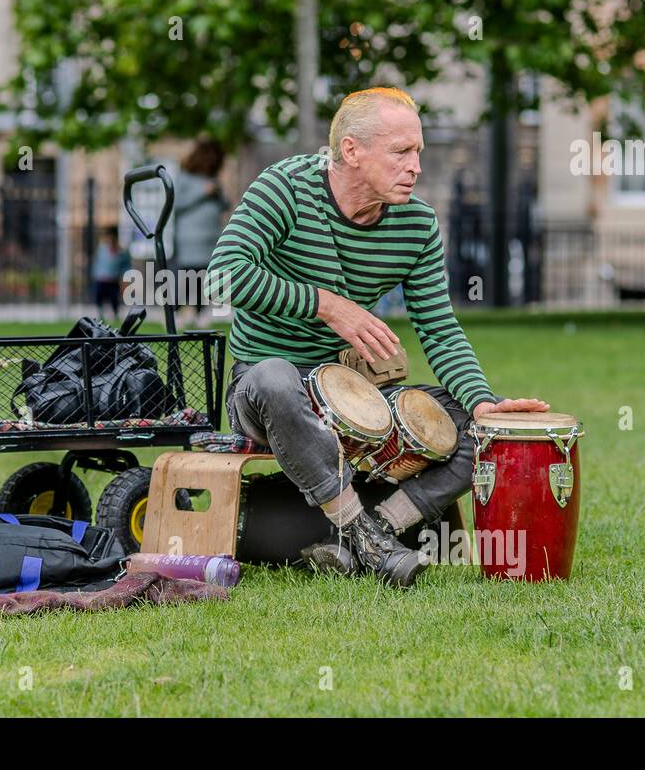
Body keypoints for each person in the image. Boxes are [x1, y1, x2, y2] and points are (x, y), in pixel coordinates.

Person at [206, 87, 549, 588]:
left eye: (418, 153)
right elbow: (222, 275)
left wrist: (480, 401)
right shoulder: (285, 187)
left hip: (354, 392)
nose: (415, 167)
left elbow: (439, 326)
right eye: (401, 152)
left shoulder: (418, 224)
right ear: (351, 150)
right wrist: (327, 306)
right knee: (276, 377)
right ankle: (367, 537)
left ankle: (374, 531)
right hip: (266, 391)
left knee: (481, 430)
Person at [172, 139, 229, 328]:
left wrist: (217, 192)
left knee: (206, 279)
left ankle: (200, 312)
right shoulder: (185, 179)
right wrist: (203, 193)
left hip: (211, 239)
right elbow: (176, 204)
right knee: (187, 277)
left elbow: (225, 205)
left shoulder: (213, 181)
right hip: (190, 240)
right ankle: (178, 312)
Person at [91, 229, 131, 321]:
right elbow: (96, 263)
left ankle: (116, 315)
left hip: (113, 280)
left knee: (114, 299)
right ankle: (100, 316)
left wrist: (124, 281)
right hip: (101, 280)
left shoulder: (122, 252)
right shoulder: (102, 249)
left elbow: (126, 267)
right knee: (99, 298)